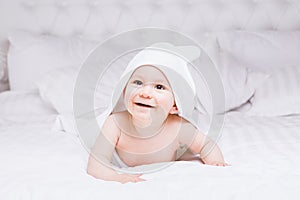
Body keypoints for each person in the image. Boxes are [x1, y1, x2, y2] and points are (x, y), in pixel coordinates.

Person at [87, 43, 228, 184]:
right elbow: (96, 162)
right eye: (138, 82)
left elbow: (206, 144)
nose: (145, 93)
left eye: (159, 87)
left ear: (175, 105)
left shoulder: (179, 127)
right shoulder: (115, 124)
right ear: (124, 91)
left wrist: (216, 163)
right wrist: (116, 177)